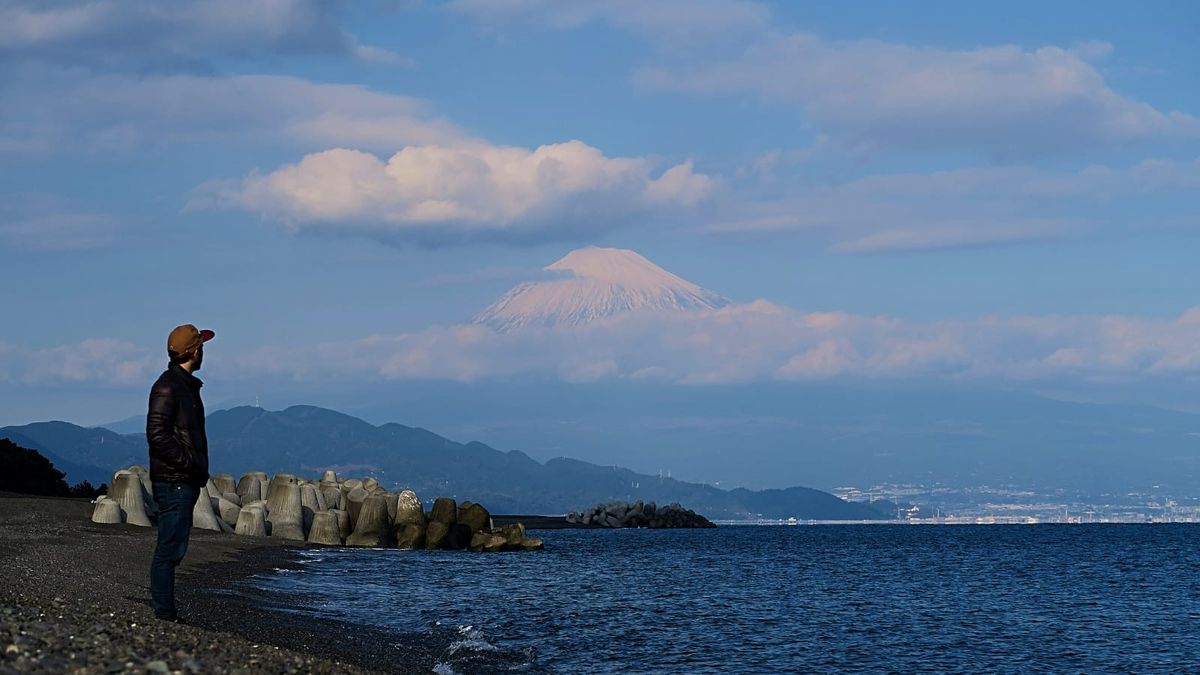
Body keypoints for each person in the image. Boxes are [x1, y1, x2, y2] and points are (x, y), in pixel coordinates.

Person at [146, 323, 214, 623]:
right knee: (169, 549)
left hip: (181, 480)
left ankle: (166, 611)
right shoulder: (168, 386)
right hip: (174, 482)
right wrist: (191, 464)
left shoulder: (184, 385)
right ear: (194, 351)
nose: (204, 352)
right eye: (202, 347)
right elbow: (157, 435)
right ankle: (164, 614)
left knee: (174, 547)